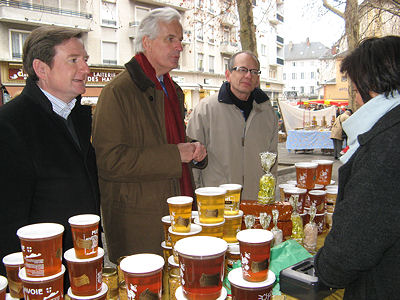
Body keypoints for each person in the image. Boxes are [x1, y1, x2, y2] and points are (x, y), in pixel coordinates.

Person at [92, 7, 207, 263]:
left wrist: (193, 150)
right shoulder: (117, 92)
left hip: (178, 210)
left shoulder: (171, 89)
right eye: (171, 39)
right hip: (140, 224)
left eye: (181, 40)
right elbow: (109, 161)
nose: (180, 47)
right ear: (147, 43)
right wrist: (175, 154)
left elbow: (163, 140)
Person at [0, 27, 100, 277]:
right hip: (42, 272)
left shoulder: (76, 116)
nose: (86, 69)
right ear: (41, 68)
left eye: (85, 60)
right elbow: (7, 222)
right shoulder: (11, 125)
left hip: (80, 263)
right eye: (74, 60)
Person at [315, 36, 400, 299]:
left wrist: (323, 268)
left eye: (354, 87)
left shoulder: (386, 146)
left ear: (369, 85)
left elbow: (349, 251)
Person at [186, 50, 278, 201]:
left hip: (255, 202)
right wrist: (195, 201)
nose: (248, 75)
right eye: (242, 70)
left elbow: (272, 164)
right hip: (217, 203)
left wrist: (269, 198)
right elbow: (192, 162)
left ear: (257, 79)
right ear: (228, 74)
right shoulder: (205, 110)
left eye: (254, 71)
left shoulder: (268, 113)